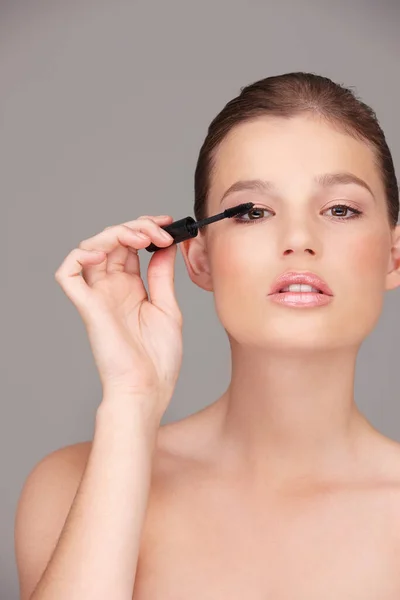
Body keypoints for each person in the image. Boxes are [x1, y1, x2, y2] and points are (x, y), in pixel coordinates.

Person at [15, 72, 400, 599]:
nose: (298, 240)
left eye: (340, 209)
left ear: (393, 256)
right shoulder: (69, 485)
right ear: (200, 259)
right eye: (252, 212)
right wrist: (131, 404)